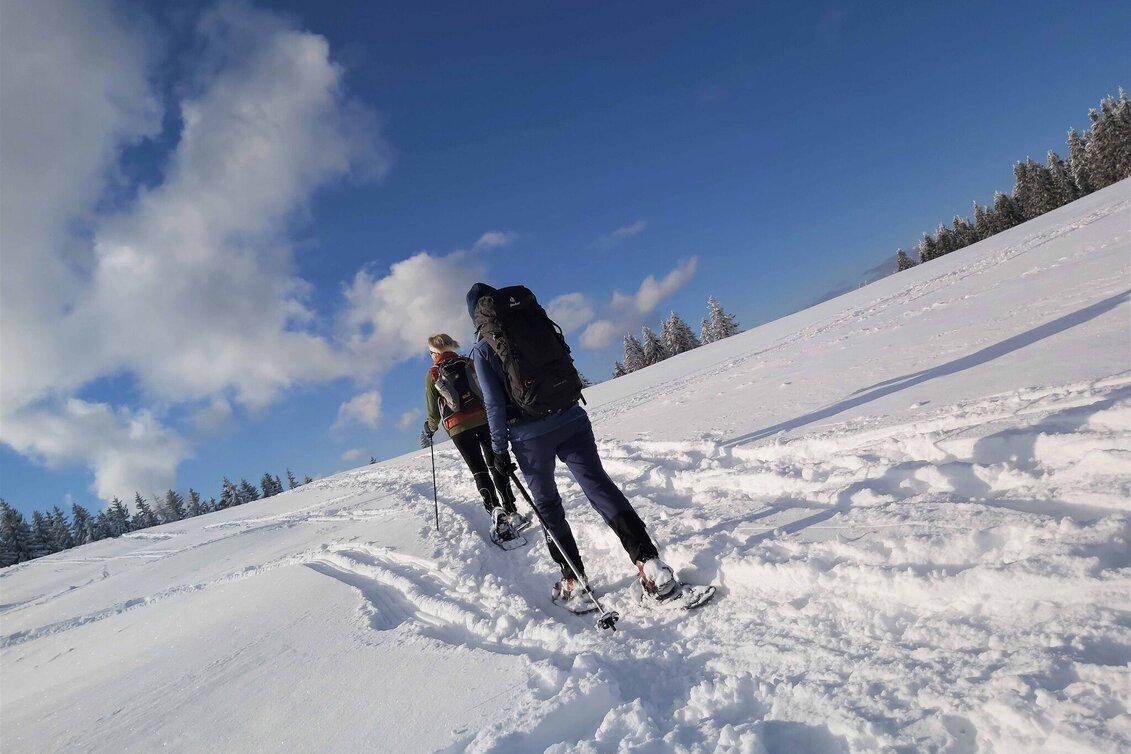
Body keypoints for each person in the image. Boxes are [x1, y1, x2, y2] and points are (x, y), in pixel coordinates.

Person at [465, 283, 677, 607]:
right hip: (571, 417)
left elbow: (494, 404)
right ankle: (649, 562)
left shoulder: (482, 350)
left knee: (547, 504)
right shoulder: (531, 320)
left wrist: (498, 450)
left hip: (529, 438)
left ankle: (573, 579)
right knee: (599, 486)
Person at [423, 333, 524, 538]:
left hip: (458, 428)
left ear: (434, 353)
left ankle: (496, 512)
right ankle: (511, 509)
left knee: (478, 470)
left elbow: (433, 413)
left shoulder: (433, 373)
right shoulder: (468, 362)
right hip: (485, 419)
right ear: (452, 345)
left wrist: (430, 428)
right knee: (496, 463)